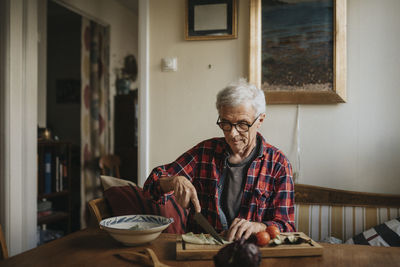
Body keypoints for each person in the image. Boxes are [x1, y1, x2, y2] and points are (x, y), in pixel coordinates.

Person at [143, 79, 295, 241]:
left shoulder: (278, 163)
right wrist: (173, 181)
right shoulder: (204, 152)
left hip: (254, 251)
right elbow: (150, 188)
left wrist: (260, 227)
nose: (233, 134)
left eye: (243, 124)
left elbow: (287, 226)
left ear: (260, 120)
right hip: (203, 249)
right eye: (226, 123)